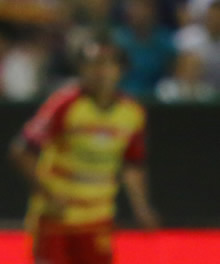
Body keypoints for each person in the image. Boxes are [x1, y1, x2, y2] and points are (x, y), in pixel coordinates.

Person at [9, 37, 160, 264]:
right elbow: (21, 152)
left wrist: (142, 208)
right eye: (93, 63)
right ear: (82, 69)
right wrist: (49, 193)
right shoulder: (65, 104)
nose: (101, 71)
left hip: (97, 218)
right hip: (56, 219)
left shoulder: (132, 113)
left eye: (108, 63)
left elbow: (132, 164)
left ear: (121, 70)